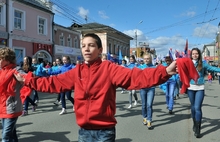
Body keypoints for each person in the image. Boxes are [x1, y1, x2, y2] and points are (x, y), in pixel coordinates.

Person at [15, 33, 177, 142]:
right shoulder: (76, 71)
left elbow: (136, 77)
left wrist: (164, 72)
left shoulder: (109, 68)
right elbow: (52, 83)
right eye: (83, 45)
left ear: (100, 50)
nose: (86, 48)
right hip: (84, 131)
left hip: (104, 132)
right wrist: (27, 80)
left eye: (91, 45)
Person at [187, 48, 220, 138]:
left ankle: (198, 129)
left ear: (199, 55)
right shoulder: (188, 63)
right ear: (191, 55)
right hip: (190, 87)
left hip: (200, 87)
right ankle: (195, 123)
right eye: (193, 54)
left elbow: (212, 68)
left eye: (196, 53)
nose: (195, 55)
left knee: (197, 107)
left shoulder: (203, 64)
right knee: (193, 107)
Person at [0, 47, 26, 142]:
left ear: (7, 60)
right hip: (3, 106)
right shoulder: (2, 71)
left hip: (12, 106)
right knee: (12, 134)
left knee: (5, 136)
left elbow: (25, 77)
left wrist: (24, 79)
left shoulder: (15, 69)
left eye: (0, 58)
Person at [138, 53, 156, 129]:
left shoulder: (154, 67)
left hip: (151, 88)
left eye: (148, 58)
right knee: (144, 105)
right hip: (142, 88)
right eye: (145, 59)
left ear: (150, 59)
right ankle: (144, 117)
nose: (146, 60)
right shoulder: (140, 67)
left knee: (149, 105)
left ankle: (149, 120)